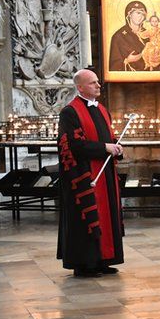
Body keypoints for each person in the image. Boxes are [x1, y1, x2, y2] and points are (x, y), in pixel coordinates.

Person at [56, 69, 124, 277]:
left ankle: (104, 259)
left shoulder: (102, 109)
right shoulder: (70, 112)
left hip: (104, 172)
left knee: (107, 214)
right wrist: (105, 148)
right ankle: (84, 263)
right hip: (84, 175)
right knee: (87, 217)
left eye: (97, 82)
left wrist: (116, 148)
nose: (98, 85)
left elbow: (109, 138)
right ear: (80, 87)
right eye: (93, 83)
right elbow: (73, 145)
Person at [108, 1, 149, 72]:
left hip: (150, 77)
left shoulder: (149, 34)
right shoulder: (119, 36)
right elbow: (114, 65)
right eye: (138, 13)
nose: (140, 16)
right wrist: (127, 61)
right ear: (129, 14)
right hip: (127, 78)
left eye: (143, 14)